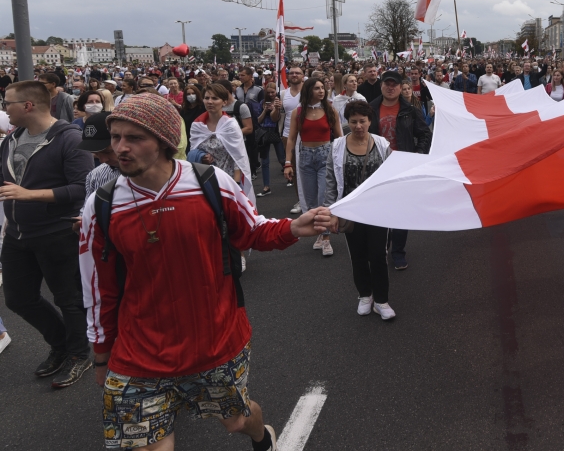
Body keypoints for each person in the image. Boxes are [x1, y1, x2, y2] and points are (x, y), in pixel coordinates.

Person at [79, 92, 332, 451]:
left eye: (134, 138)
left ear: (164, 140)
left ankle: (262, 436)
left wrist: (291, 227)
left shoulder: (210, 182)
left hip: (215, 340)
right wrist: (101, 353)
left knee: (238, 421)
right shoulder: (101, 204)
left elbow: (252, 231)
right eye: (116, 137)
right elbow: (97, 287)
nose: (120, 147)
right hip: (139, 352)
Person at [0, 80, 94, 388]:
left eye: (8, 102)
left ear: (27, 105)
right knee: (18, 299)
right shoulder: (11, 139)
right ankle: (62, 343)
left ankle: (79, 354)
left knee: (69, 298)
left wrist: (30, 195)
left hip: (57, 232)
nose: (5, 108)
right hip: (17, 233)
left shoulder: (70, 138)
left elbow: (81, 187)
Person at [325, 100, 395, 320]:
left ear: (370, 121)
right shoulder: (337, 146)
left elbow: (392, 176)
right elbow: (331, 181)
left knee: (378, 255)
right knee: (358, 255)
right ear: (347, 121)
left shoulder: (382, 144)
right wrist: (331, 212)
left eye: (362, 121)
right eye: (353, 121)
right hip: (350, 210)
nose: (358, 126)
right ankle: (365, 295)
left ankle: (381, 301)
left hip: (377, 210)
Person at [370, 71, 431, 270]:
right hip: (376, 166)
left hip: (401, 166)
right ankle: (381, 246)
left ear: (400, 87)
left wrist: (417, 155)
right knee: (379, 209)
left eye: (394, 84)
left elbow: (424, 134)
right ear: (381, 86)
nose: (390, 88)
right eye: (387, 84)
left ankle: (398, 252)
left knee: (400, 210)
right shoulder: (370, 109)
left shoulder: (410, 110)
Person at [284, 77, 342, 258]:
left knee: (324, 197)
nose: (321, 91)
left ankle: (326, 237)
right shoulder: (298, 112)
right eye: (317, 88)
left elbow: (339, 137)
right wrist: (287, 162)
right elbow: (291, 139)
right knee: (310, 201)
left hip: (326, 156)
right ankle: (319, 232)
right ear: (309, 91)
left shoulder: (330, 109)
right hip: (305, 157)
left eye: (322, 88)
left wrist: (340, 159)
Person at [280, 66, 305, 212]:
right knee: (293, 169)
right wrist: (275, 109)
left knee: (308, 168)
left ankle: (312, 199)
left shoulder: (308, 92)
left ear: (303, 76)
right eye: (292, 73)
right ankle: (300, 200)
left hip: (306, 136)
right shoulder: (283, 94)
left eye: (298, 73)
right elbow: (276, 118)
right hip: (288, 135)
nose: (294, 75)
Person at [256, 82, 284, 198]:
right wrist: (265, 110)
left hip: (276, 132)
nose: (271, 94)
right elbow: (259, 120)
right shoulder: (262, 103)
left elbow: (276, 119)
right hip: (264, 133)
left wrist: (275, 109)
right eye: (268, 92)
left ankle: (289, 176)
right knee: (265, 162)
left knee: (282, 158)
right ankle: (266, 186)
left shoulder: (279, 102)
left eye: (273, 92)